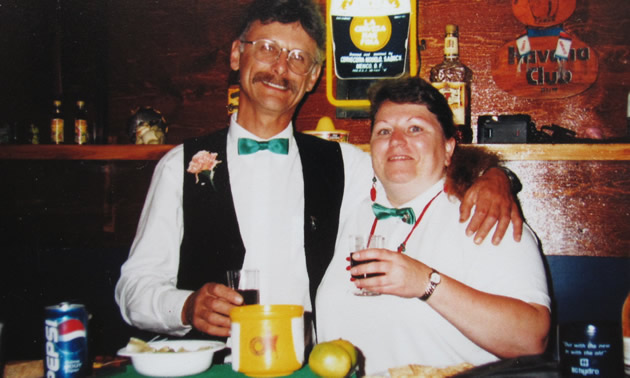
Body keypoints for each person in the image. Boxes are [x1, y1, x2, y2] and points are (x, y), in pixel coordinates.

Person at [115, 0, 522, 342]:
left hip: (310, 366)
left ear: (311, 77)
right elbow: (133, 288)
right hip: (211, 366)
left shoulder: (348, 163)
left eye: (298, 58)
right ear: (238, 54)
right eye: (268, 48)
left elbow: (426, 171)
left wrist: (494, 177)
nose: (280, 68)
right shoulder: (179, 166)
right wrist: (185, 307)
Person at [315, 77, 550, 374]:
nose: (397, 141)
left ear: (449, 149)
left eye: (416, 128)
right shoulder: (347, 206)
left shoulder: (484, 213)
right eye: (384, 131)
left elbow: (531, 339)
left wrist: (426, 284)